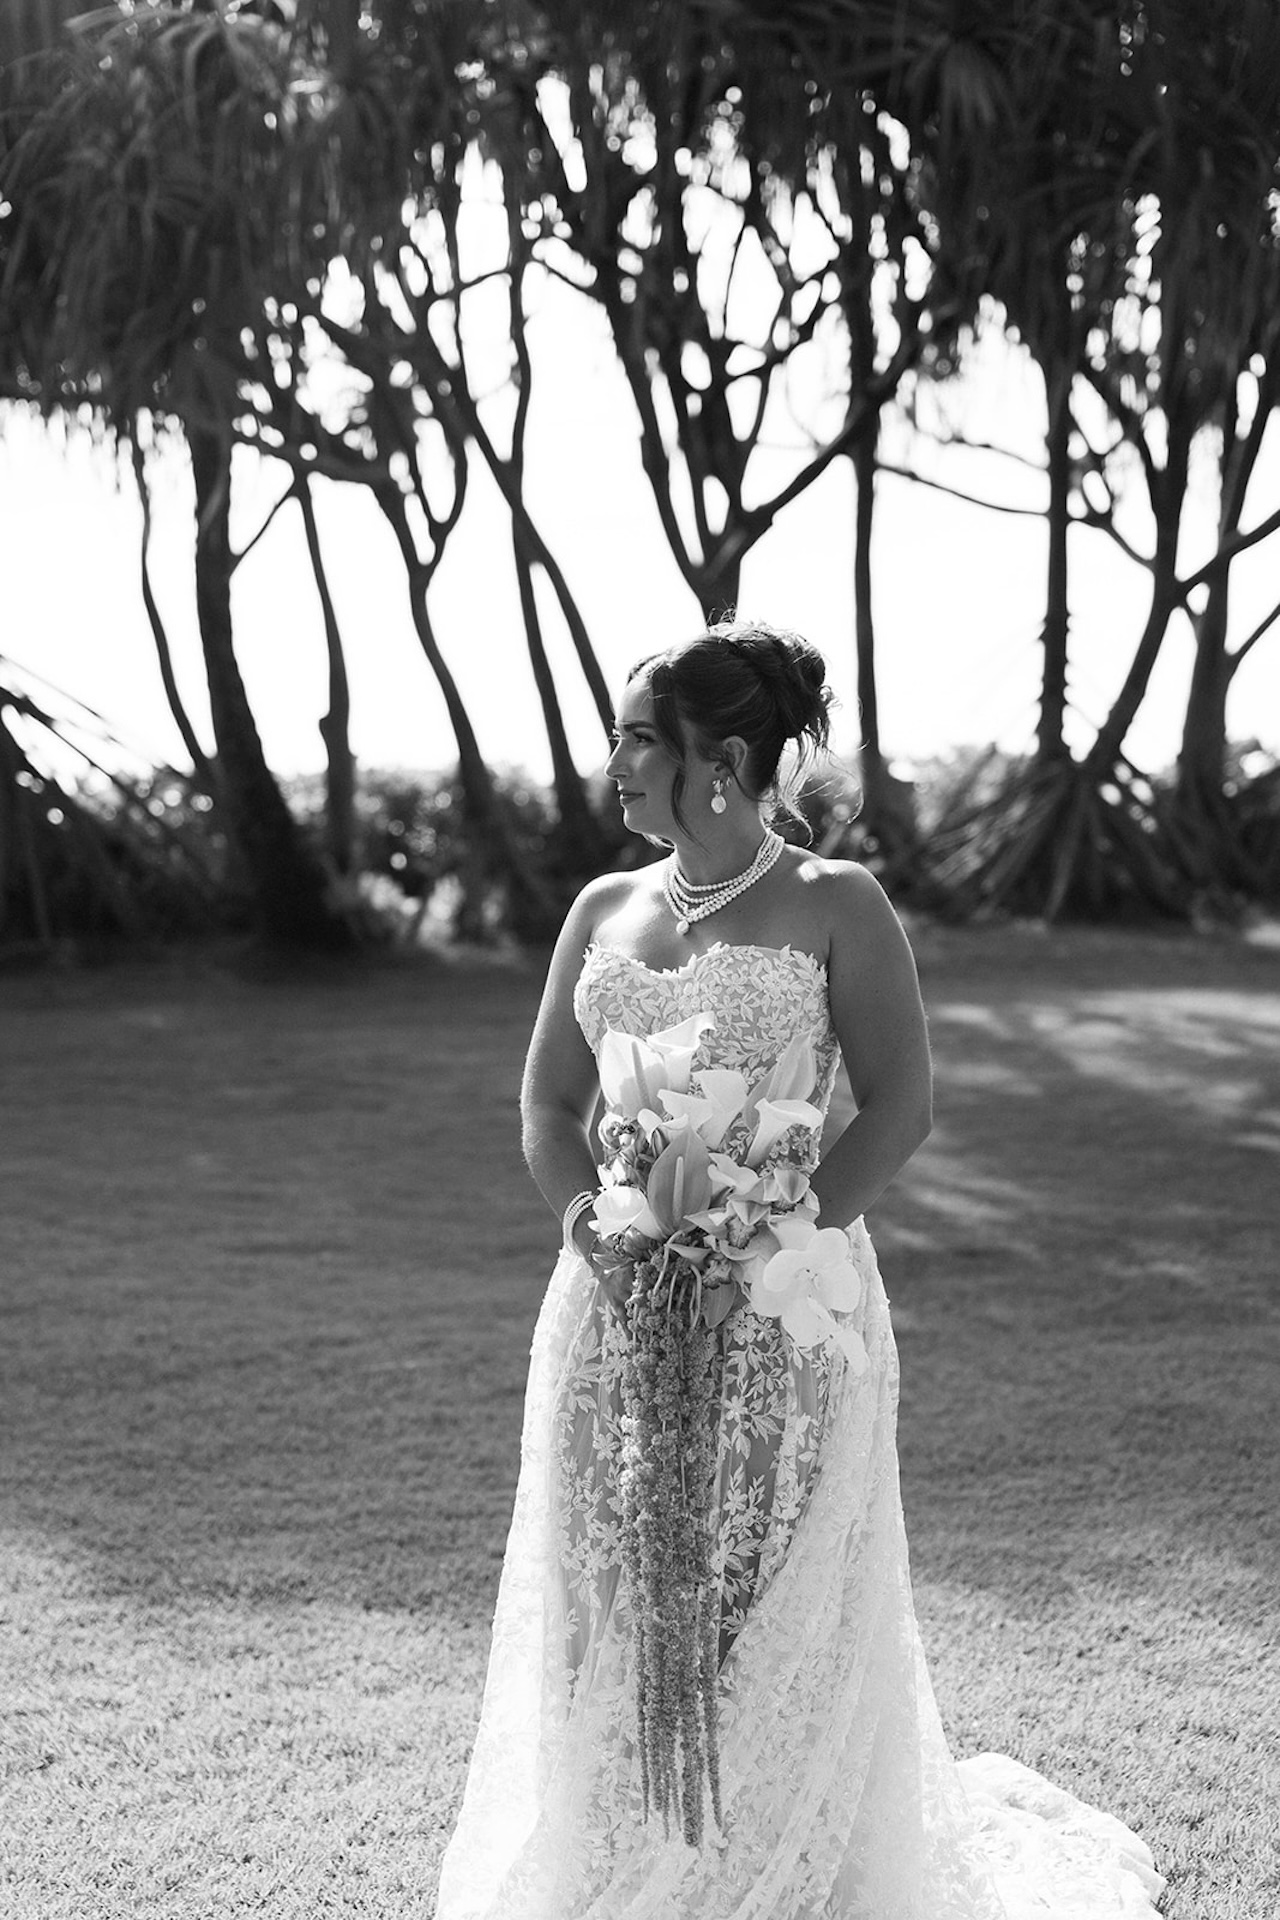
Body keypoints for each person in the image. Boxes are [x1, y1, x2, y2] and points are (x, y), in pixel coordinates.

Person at [435, 622, 1165, 1919]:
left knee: (764, 1609)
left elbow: (901, 1107)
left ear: (718, 763)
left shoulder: (840, 907)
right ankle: (629, 1871)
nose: (612, 763)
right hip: (614, 1311)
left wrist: (767, 1241)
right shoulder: (602, 910)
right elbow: (550, 1108)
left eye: (634, 739)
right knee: (614, 1596)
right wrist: (595, 1231)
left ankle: (777, 1882)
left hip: (788, 1307)